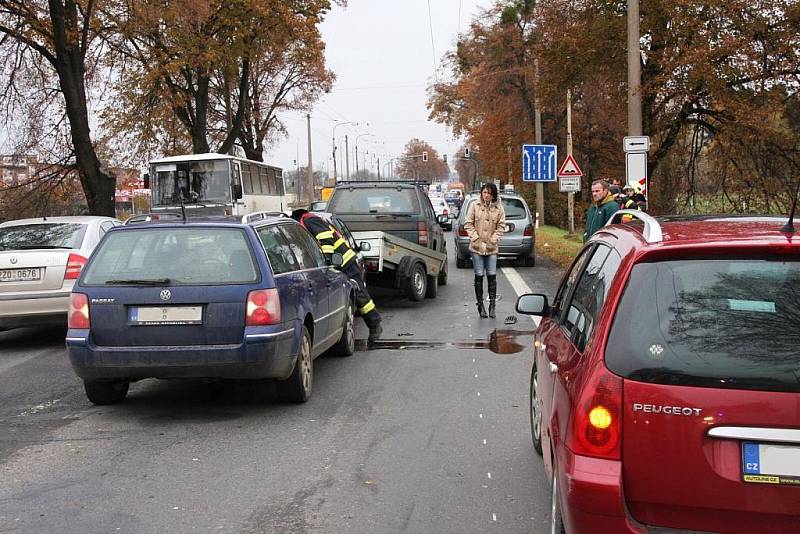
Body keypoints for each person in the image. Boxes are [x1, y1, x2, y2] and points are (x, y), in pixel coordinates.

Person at [291, 209, 383, 341]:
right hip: (340, 261)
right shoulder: (310, 220)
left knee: (361, 297)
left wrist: (328, 261)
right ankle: (374, 325)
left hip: (345, 261)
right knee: (357, 296)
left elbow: (325, 239)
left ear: (297, 218)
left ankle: (375, 324)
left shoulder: (309, 220)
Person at [464, 183, 505, 318]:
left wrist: (493, 240)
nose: (486, 195)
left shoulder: (499, 208)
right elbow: (468, 223)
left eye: (488, 193)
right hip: (476, 247)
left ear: (493, 194)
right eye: (484, 192)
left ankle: (492, 304)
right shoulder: (474, 206)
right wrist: (475, 238)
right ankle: (480, 305)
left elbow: (501, 226)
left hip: (491, 247)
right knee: (479, 275)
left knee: (492, 275)